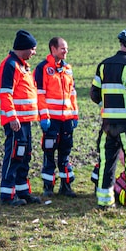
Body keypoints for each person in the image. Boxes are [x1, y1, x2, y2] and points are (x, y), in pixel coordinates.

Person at [90, 28, 126, 212]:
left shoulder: (103, 65)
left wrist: (108, 103)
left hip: (107, 124)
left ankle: (105, 202)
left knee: (106, 163)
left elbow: (94, 94)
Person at [0, 29, 42, 206]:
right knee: (14, 155)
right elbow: (5, 94)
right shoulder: (10, 65)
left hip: (26, 121)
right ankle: (7, 195)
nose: (34, 52)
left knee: (24, 156)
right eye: (33, 49)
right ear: (24, 48)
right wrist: (12, 117)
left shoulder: (22, 65)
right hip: (16, 122)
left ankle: (23, 192)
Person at [34, 36, 80, 196]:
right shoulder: (42, 68)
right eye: (62, 48)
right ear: (53, 49)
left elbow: (72, 94)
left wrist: (75, 115)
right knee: (49, 153)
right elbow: (39, 94)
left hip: (67, 120)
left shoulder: (68, 69)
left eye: (66, 48)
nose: (65, 50)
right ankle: (48, 187)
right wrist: (44, 116)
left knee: (65, 153)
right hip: (51, 121)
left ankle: (66, 186)